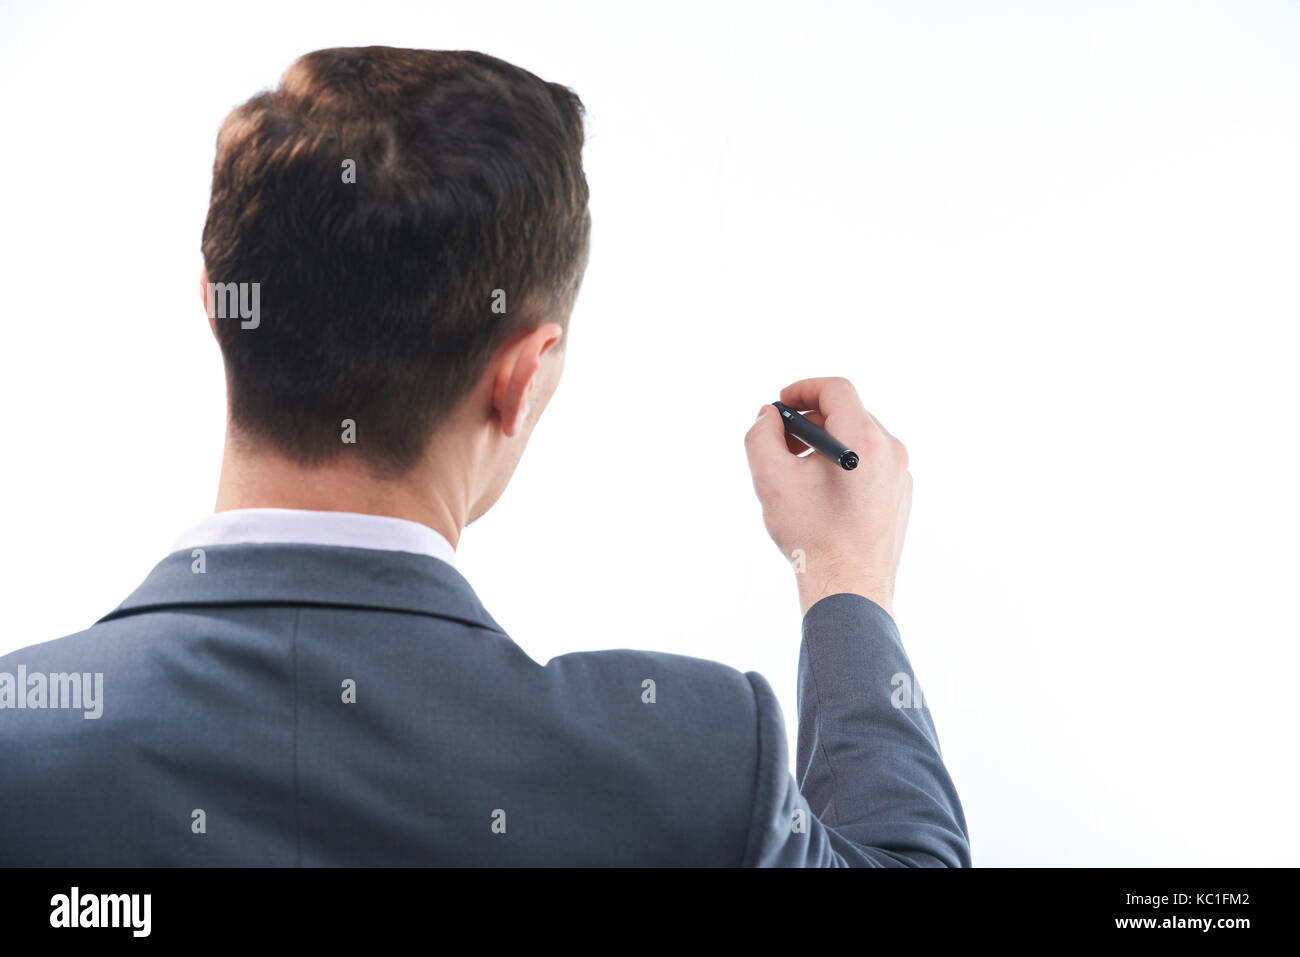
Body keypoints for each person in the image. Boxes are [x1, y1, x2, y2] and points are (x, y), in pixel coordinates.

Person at [0, 46, 969, 866]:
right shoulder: (691, 759)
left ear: (217, 306)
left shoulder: (23, 735)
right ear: (520, 373)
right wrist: (844, 579)